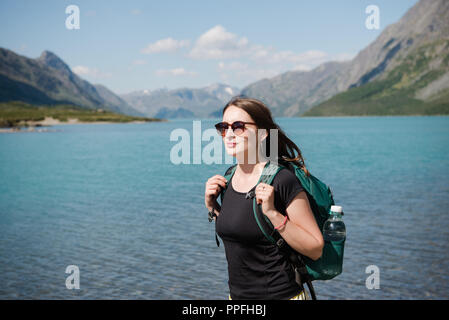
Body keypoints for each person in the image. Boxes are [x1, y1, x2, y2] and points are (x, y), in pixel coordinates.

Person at [204, 97, 324, 300]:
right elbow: (242, 230)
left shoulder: (281, 180)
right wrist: (212, 206)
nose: (229, 134)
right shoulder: (229, 177)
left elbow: (315, 248)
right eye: (224, 127)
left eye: (239, 126)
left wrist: (272, 213)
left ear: (262, 134)